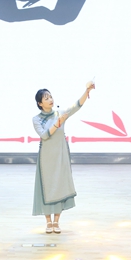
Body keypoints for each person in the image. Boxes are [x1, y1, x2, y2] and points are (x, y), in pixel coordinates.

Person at [32, 81, 95, 234]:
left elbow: (77, 105)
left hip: (61, 155)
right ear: (40, 103)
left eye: (50, 97)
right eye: (46, 98)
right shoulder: (36, 119)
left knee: (60, 186)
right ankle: (48, 222)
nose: (50, 100)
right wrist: (58, 123)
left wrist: (87, 91)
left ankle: (56, 221)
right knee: (47, 188)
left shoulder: (60, 113)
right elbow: (44, 135)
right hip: (46, 158)